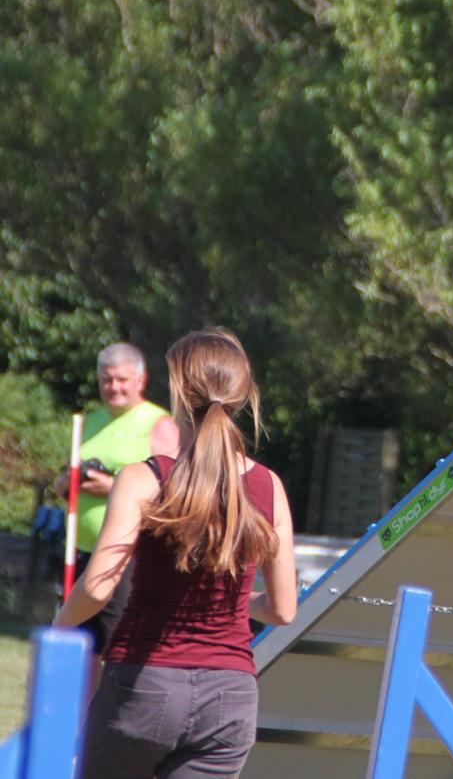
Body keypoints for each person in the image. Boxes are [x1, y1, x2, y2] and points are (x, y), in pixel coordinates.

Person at [54, 327, 297, 779]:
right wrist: (231, 605)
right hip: (230, 700)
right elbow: (283, 609)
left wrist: (59, 625)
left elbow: (99, 585)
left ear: (177, 392)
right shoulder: (269, 486)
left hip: (143, 686)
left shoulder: (143, 479)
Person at [53, 342, 181, 664]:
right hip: (81, 551)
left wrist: (112, 487)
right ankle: (81, 714)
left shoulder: (158, 423)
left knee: (116, 643)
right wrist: (70, 481)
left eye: (121, 380)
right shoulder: (89, 422)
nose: (114, 387)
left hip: (129, 555)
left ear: (140, 380)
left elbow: (174, 492)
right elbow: (61, 481)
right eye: (107, 380)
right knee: (82, 645)